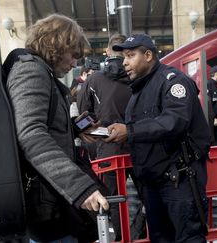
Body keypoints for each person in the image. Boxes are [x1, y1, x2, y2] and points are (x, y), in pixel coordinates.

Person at [5, 14, 109, 243]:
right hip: (47, 206)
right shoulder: (31, 71)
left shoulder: (35, 70)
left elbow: (35, 124)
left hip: (51, 201)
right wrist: (80, 188)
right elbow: (30, 135)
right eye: (73, 55)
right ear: (56, 45)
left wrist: (72, 128)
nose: (74, 63)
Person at [105, 34, 210, 242]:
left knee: (188, 237)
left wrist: (130, 131)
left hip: (178, 180)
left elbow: (175, 121)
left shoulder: (173, 81)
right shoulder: (140, 88)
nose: (124, 62)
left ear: (148, 55)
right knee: (160, 237)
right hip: (153, 182)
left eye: (130, 55)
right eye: (124, 56)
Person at [77, 33, 139, 240]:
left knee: (113, 199)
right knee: (148, 194)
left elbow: (84, 118)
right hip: (140, 145)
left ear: (108, 51)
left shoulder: (93, 80)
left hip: (108, 149)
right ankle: (146, 234)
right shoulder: (139, 78)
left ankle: (122, 238)